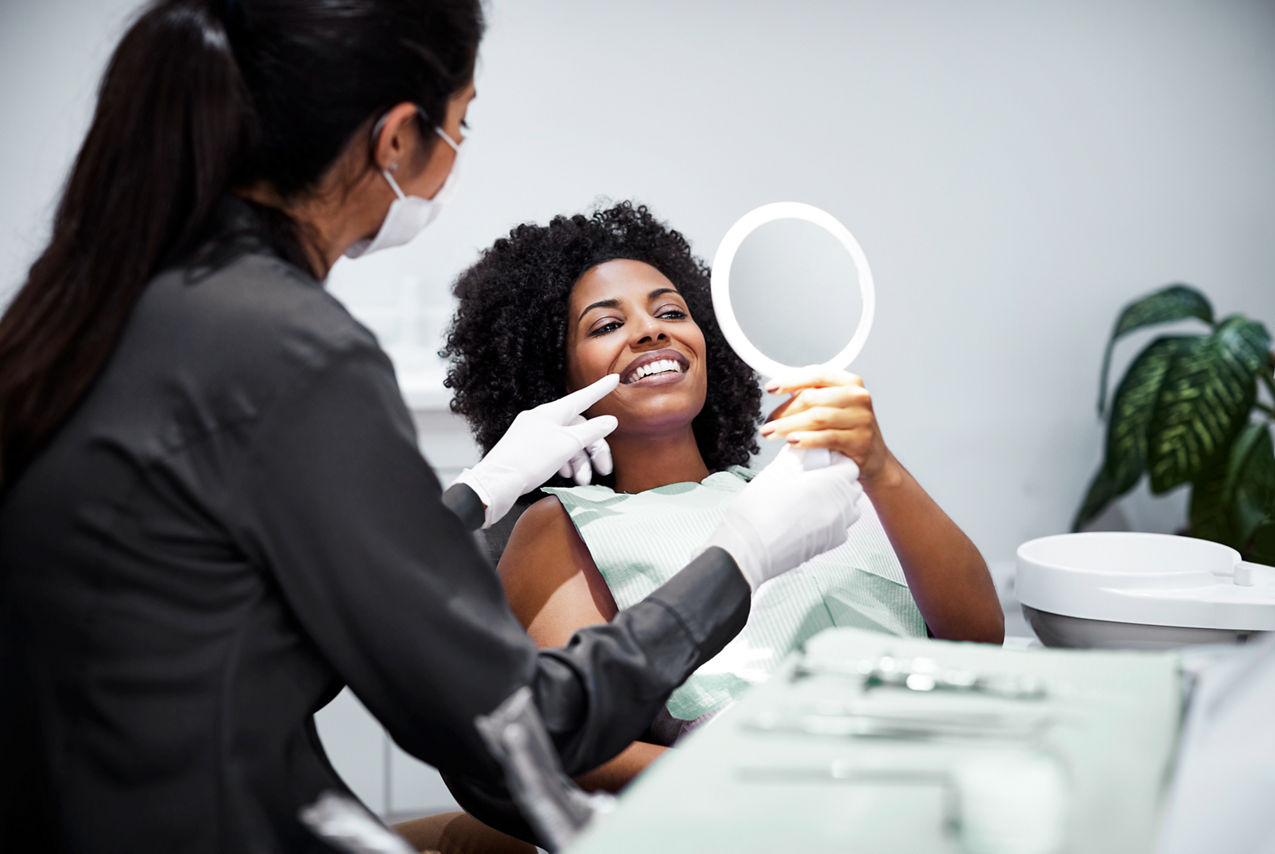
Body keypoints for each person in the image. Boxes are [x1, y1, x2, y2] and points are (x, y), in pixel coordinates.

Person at [0, 3, 867, 852]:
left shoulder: (116, 302)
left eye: (668, 309)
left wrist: (473, 496)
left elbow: (282, 613)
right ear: (396, 139)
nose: (645, 333)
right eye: (461, 126)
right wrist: (744, 555)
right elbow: (514, 723)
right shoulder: (293, 354)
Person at [443, 201, 1005, 791]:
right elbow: (558, 743)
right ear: (555, 378)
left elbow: (977, 637)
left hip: (947, 766)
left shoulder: (806, 490)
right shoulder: (563, 526)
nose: (651, 330)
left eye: (671, 312)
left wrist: (880, 467)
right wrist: (741, 773)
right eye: (608, 325)